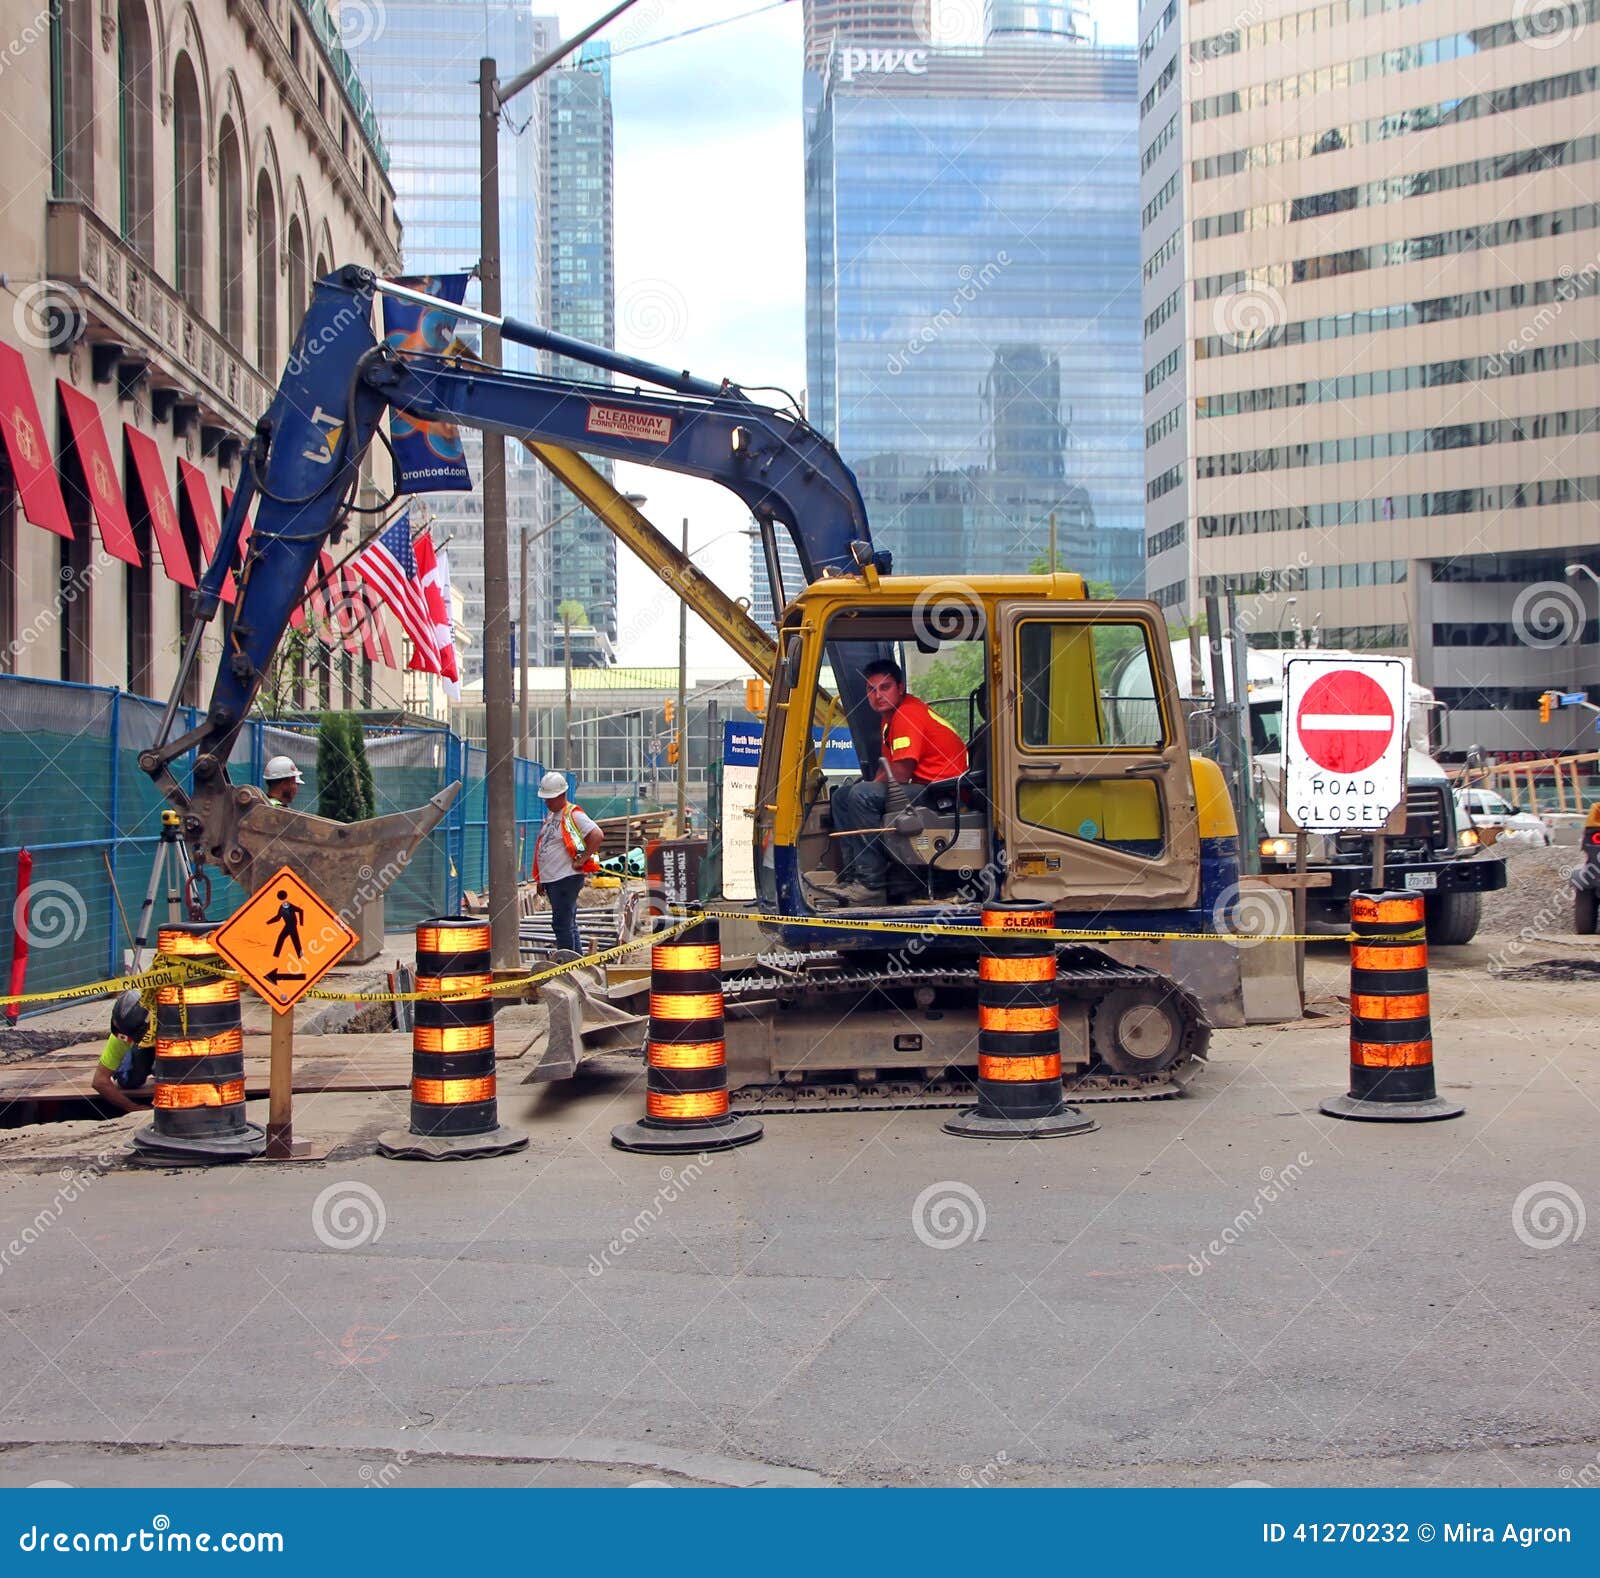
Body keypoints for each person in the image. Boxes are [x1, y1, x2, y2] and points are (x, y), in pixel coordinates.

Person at [812, 658, 968, 907]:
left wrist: (863, 792)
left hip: (942, 791)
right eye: (871, 690)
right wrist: (861, 790)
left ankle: (871, 885)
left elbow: (903, 771)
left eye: (885, 688)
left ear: (901, 687)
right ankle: (854, 876)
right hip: (924, 787)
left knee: (861, 795)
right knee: (844, 795)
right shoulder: (889, 718)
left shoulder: (907, 714)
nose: (877, 695)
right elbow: (887, 770)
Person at [532, 770, 604, 955]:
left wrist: (583, 859)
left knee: (561, 924)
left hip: (566, 878)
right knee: (568, 924)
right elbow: (545, 848)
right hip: (554, 879)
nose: (547, 802)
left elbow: (596, 835)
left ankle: (567, 966)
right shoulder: (552, 817)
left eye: (550, 798)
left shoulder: (573, 814)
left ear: (562, 795)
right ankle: (576, 964)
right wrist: (542, 879)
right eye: (545, 798)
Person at [90, 991, 154, 1114]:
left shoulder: (169, 1023)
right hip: (144, 1053)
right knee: (129, 1081)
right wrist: (131, 1107)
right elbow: (99, 1081)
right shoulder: (121, 1034)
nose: (126, 1039)